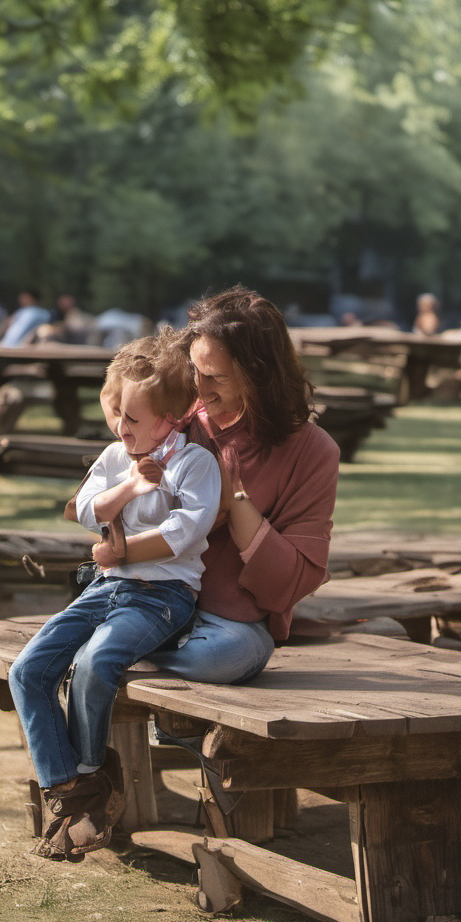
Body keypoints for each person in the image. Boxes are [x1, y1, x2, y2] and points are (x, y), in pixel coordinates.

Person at [8, 332, 222, 862]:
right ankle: (75, 790)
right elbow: (84, 509)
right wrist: (127, 488)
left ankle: (86, 777)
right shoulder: (114, 456)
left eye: (133, 419)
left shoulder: (196, 465)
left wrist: (120, 554)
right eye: (118, 415)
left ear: (172, 417)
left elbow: (186, 532)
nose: (121, 428)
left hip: (163, 597)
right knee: (27, 671)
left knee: (95, 661)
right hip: (106, 590)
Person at [138, 285, 341, 686]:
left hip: (227, 623)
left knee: (229, 654)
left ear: (260, 377)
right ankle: (126, 647)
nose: (199, 388)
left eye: (215, 377)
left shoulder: (313, 450)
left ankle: (125, 654)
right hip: (147, 598)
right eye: (194, 369)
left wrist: (233, 502)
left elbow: (288, 584)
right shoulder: (173, 415)